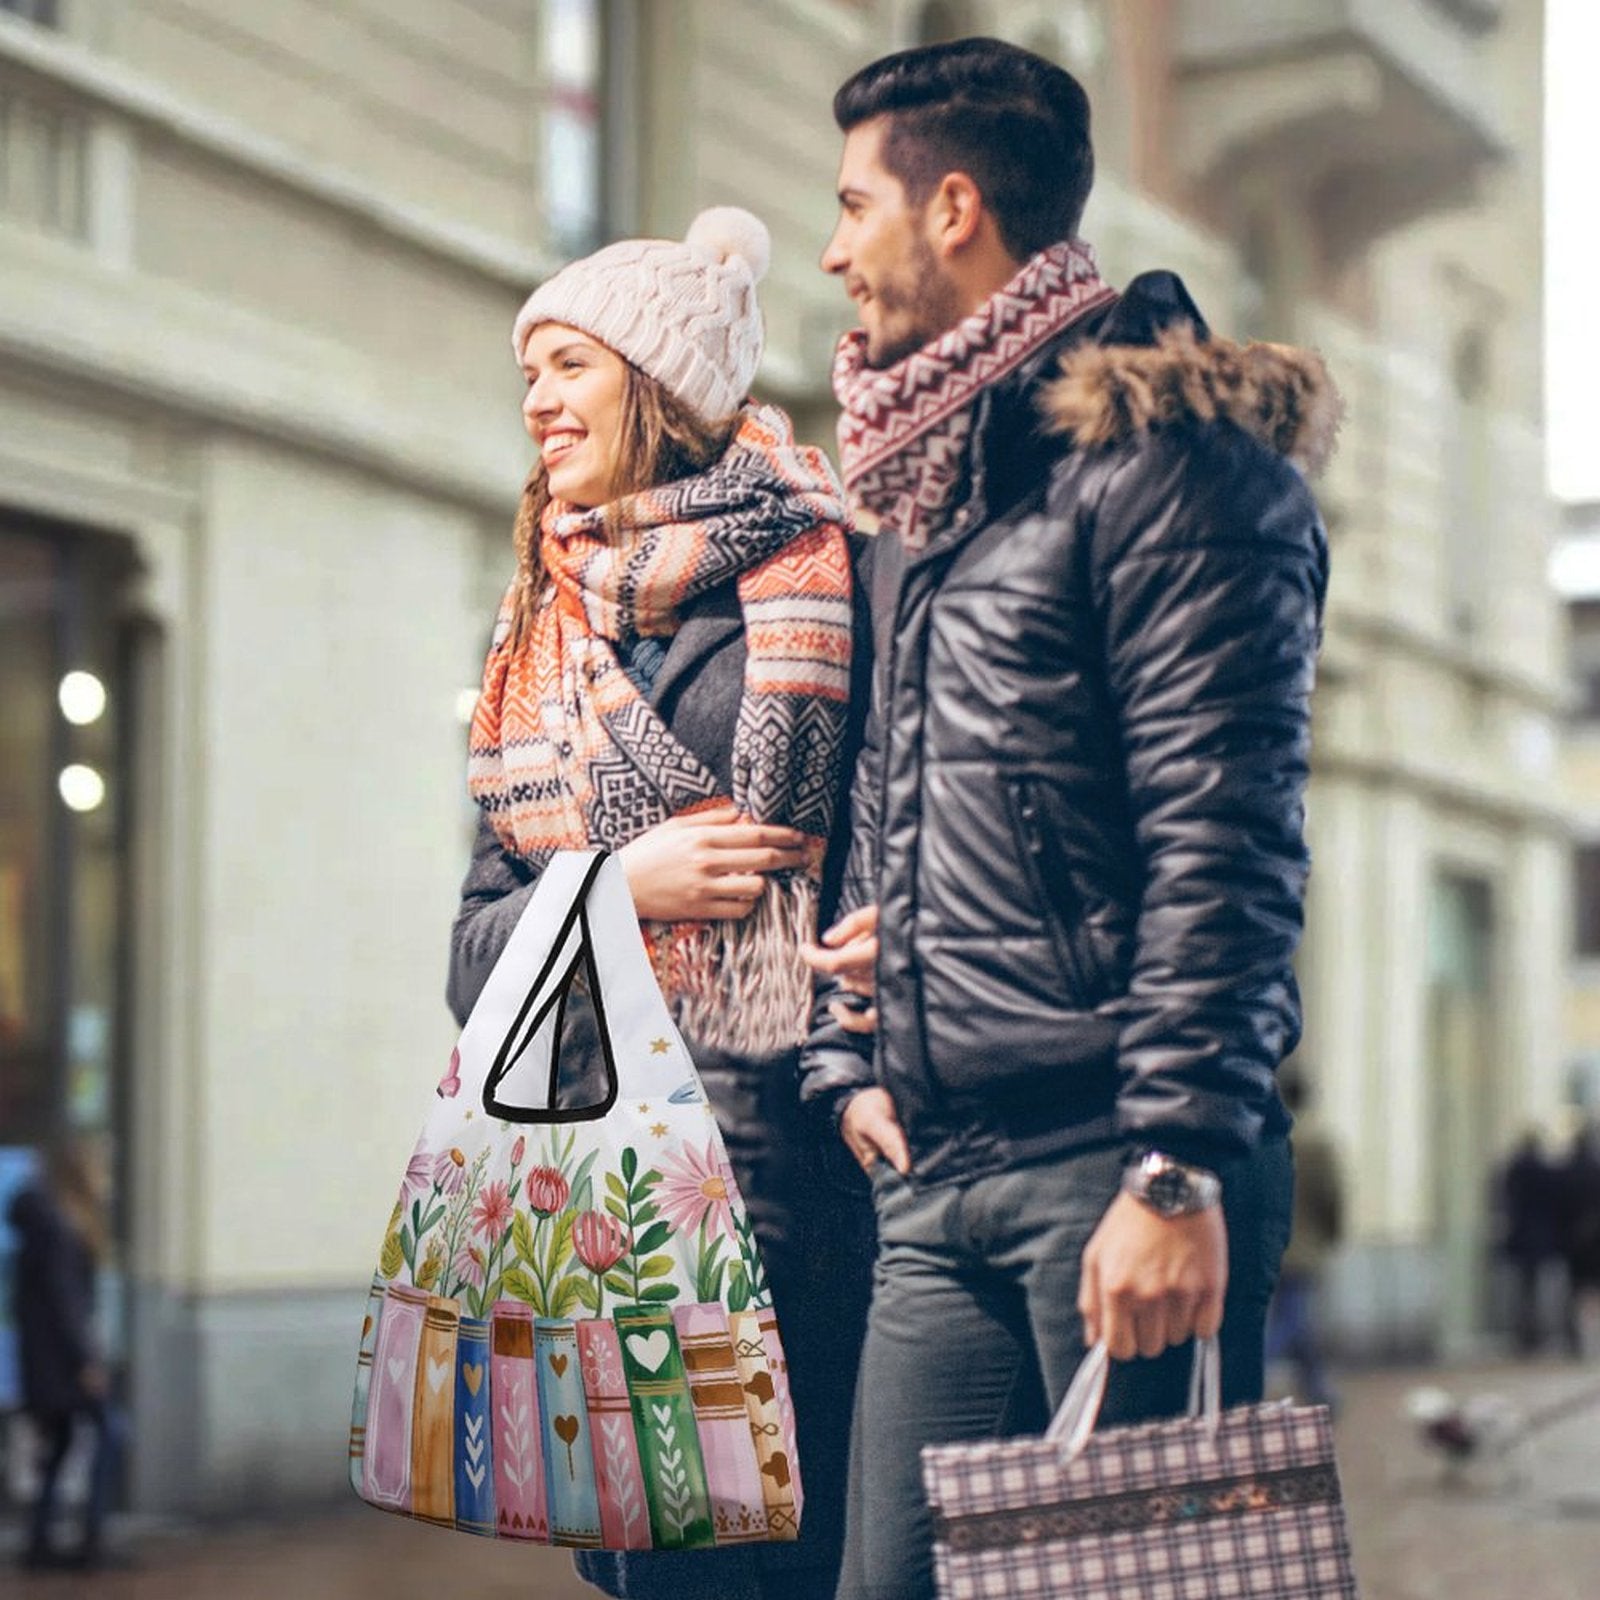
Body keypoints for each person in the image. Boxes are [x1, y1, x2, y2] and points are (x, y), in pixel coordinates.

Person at [797, 38, 1337, 1600]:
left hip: (1113, 1164)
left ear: (952, 206)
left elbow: (1223, 844)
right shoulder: (933, 496)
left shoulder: (1173, 471)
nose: (833, 250)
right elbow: (899, 822)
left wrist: (1174, 1168)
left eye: (851, 207)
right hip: (939, 1178)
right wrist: (848, 1053)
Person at [448, 207, 874, 1600]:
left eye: (569, 366)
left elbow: (878, 853)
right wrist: (617, 889)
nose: (537, 403)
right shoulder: (534, 632)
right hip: (611, 1190)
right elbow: (471, 958)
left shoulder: (820, 575)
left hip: (803, 1172)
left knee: (801, 1569)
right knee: (654, 1576)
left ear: (658, 384)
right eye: (529, 375)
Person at [7, 1135, 128, 1572]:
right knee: (111, 1432)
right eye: (102, 1169)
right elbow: (66, 1304)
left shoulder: (50, 1223)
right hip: (62, 1363)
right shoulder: (59, 1228)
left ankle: (41, 1542)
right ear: (84, 1173)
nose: (108, 1180)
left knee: (60, 1445)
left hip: (47, 1360)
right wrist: (86, 1363)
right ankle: (92, 1540)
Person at [1264, 1068, 1344, 1404]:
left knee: (1294, 1317)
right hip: (1304, 1244)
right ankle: (1260, 1369)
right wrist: (1334, 1231)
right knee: (1294, 1319)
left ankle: (1318, 1388)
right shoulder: (1316, 1141)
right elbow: (1331, 1193)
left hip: (1270, 1242)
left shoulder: (1266, 1136)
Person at [1496, 1128, 1563, 1355]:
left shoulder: (1514, 1169)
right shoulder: (1545, 1170)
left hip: (1520, 1235)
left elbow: (1503, 1199)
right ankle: (1533, 1332)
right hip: (1540, 1237)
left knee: (1523, 1288)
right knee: (1533, 1286)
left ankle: (1524, 1333)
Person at [1559, 1122, 1600, 1358]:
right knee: (1594, 1288)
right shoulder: (1596, 1170)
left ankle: (1576, 1338)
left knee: (1575, 1289)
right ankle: (1591, 1337)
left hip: (1573, 1240)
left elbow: (1558, 1207)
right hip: (1595, 1240)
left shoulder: (1567, 1171)